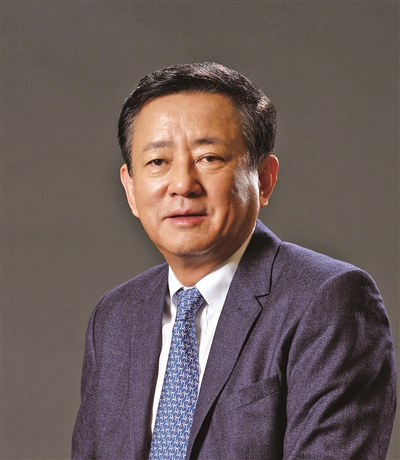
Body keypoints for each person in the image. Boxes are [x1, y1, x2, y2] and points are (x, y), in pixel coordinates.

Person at [72, 62, 396, 459]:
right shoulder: (115, 316)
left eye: (209, 157)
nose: (182, 185)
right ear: (130, 188)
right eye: (157, 162)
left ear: (264, 179)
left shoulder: (328, 301)